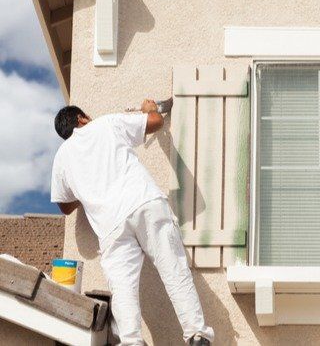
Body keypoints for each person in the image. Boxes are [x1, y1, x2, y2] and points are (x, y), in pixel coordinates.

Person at [51, 100, 214, 346]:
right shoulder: (106, 123)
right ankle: (197, 335)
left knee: (123, 289)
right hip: (144, 202)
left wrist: (85, 188)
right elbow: (155, 122)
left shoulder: (62, 158)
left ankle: (131, 343)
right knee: (173, 268)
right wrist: (149, 108)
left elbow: (64, 206)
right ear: (82, 118)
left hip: (110, 226)